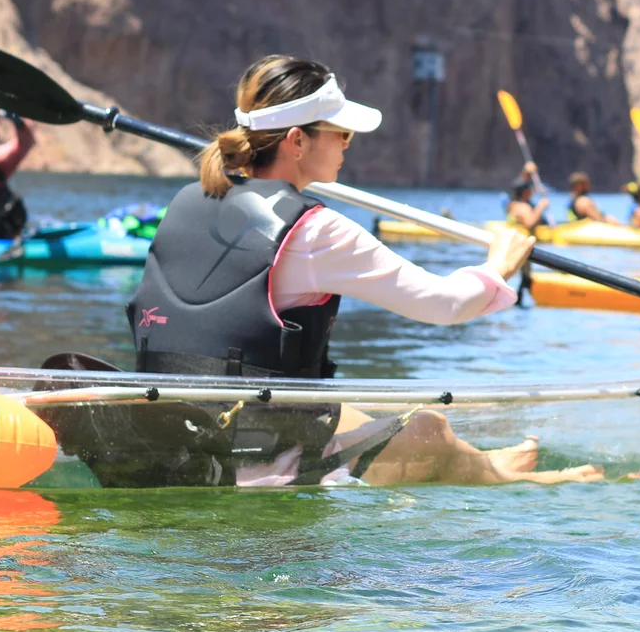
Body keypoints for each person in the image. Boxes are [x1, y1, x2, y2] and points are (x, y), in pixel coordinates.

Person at [125, 54, 602, 488]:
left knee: (342, 411)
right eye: (342, 134)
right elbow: (445, 305)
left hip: (173, 437)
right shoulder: (316, 231)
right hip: (250, 460)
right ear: (296, 141)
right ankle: (508, 479)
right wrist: (499, 264)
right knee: (430, 429)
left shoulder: (186, 202)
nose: (348, 146)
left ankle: (480, 459)